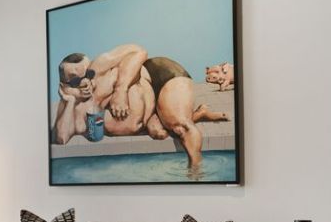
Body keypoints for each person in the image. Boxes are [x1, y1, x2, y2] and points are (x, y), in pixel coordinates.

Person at [52, 44, 228, 173]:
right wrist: (69, 101)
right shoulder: (73, 105)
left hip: (158, 75)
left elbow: (140, 51)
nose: (85, 82)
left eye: (88, 74)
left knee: (180, 126)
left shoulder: (101, 65)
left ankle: (196, 173)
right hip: (148, 110)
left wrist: (121, 90)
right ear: (64, 85)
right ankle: (199, 113)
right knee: (159, 132)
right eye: (76, 81)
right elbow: (61, 138)